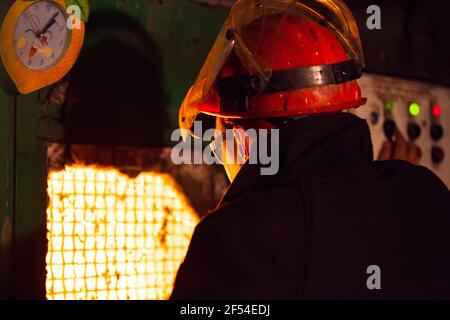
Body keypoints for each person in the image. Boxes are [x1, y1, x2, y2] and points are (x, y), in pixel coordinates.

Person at [171, 0, 450, 299]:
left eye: (217, 141)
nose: (220, 155)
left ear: (241, 135)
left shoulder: (238, 239)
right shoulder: (424, 194)